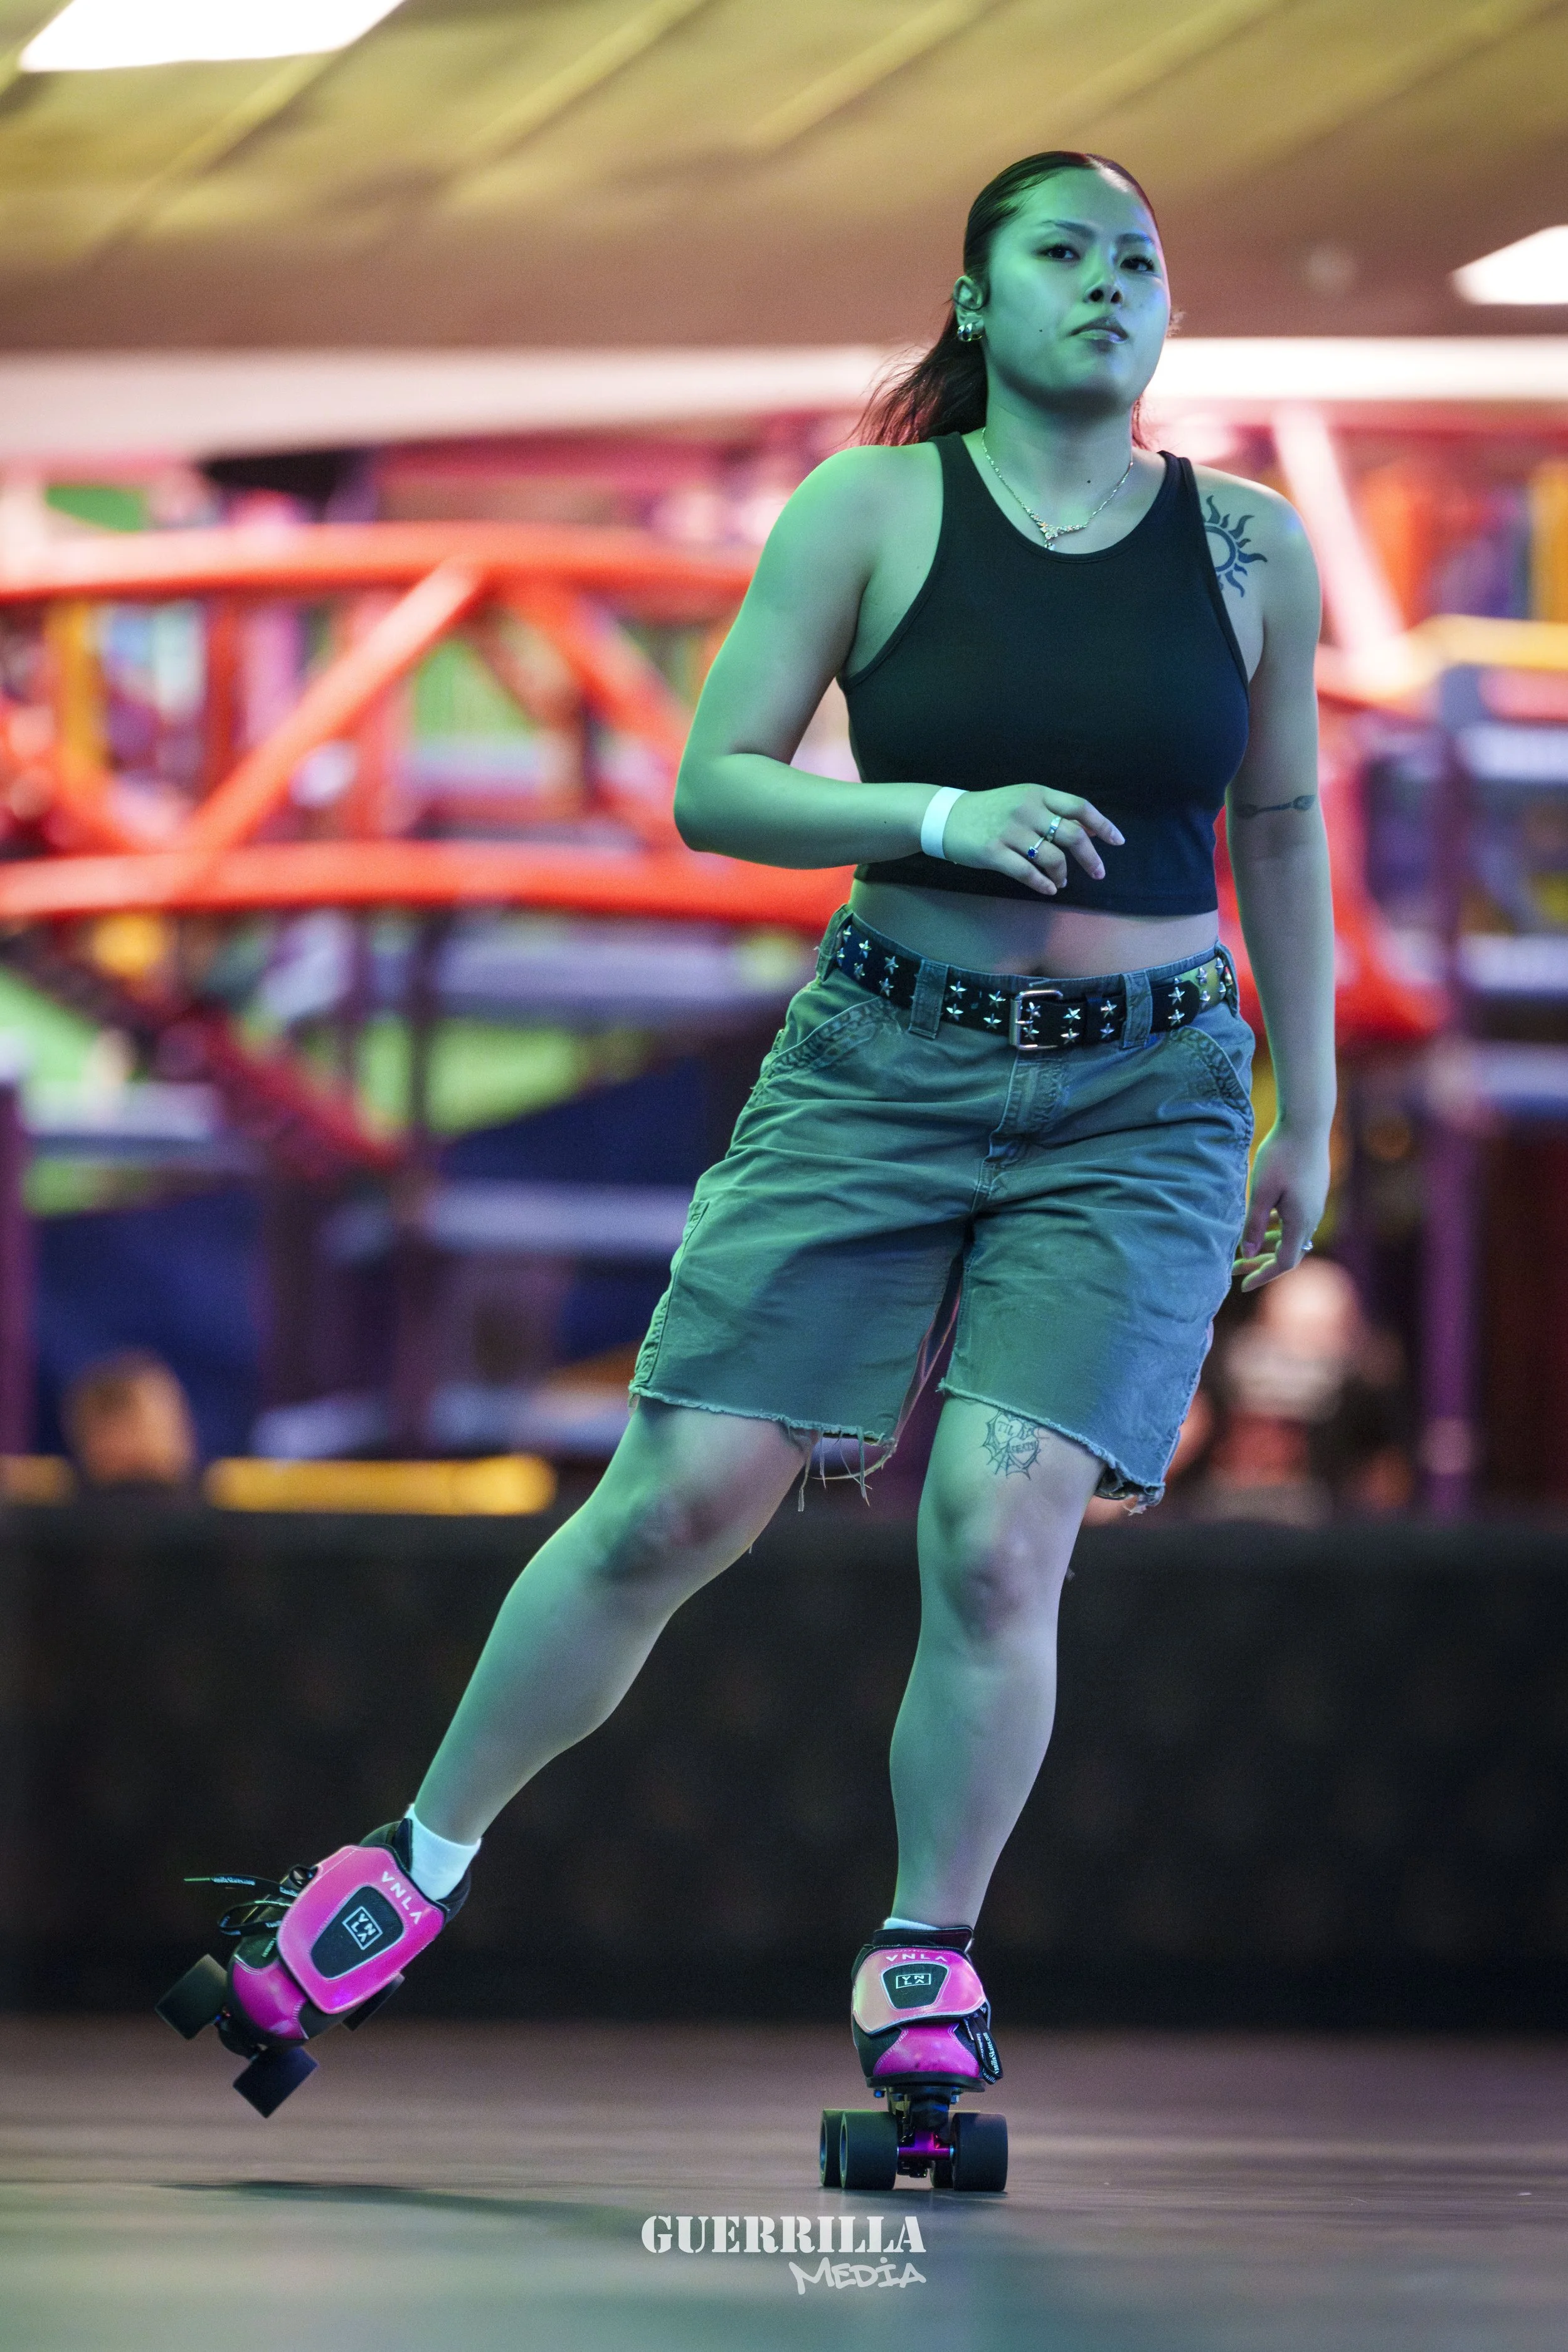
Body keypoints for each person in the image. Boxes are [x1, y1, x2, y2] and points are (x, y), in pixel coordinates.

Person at [165, 151, 1335, 2154]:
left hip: (1144, 1089)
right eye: (1057, 254)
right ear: (972, 302)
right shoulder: (871, 508)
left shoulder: (1243, 546)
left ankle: (926, 1967)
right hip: (882, 1058)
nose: (1104, 286)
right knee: (677, 1495)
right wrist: (936, 819)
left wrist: (1298, 1108)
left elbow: (1287, 830)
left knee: (995, 1521)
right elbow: (716, 787)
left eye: (1136, 261)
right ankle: (409, 1868)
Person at [63, 1349, 198, 1494]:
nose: (122, 1446)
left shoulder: (210, 1502)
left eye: (134, 1431)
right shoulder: (65, 1504)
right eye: (110, 1435)